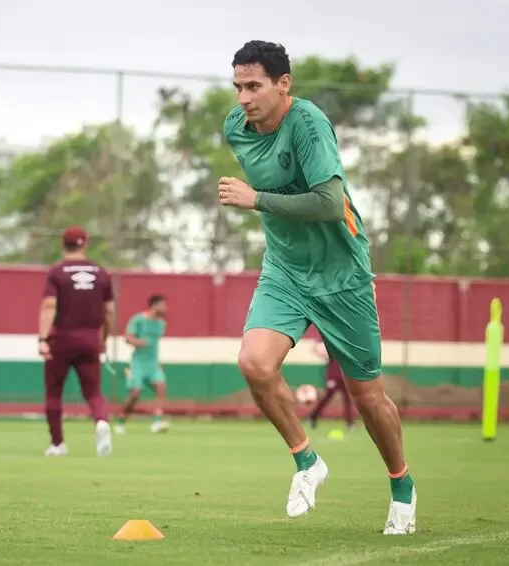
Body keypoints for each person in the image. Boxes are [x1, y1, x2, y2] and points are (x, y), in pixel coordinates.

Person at [218, 40, 416, 535]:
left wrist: (256, 199)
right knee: (254, 363)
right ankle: (307, 460)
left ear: (284, 85)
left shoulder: (308, 123)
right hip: (285, 270)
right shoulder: (235, 129)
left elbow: (330, 204)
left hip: (342, 276)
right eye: (238, 86)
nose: (243, 97)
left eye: (254, 86)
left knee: (368, 398)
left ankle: (402, 488)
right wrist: (264, 203)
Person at [38, 226, 114, 457]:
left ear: (63, 245)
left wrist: (42, 338)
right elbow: (109, 311)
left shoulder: (57, 272)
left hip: (62, 339)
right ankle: (101, 421)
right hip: (90, 338)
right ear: (85, 245)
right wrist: (104, 338)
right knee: (93, 392)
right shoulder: (101, 273)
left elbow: (49, 306)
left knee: (54, 393)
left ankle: (58, 444)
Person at [115, 294, 169, 434]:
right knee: (135, 393)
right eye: (162, 305)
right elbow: (127, 338)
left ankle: (157, 421)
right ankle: (121, 421)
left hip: (153, 365)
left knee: (161, 386)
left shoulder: (162, 324)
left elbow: (154, 345)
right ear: (154, 305)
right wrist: (139, 342)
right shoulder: (138, 319)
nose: (165, 308)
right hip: (137, 363)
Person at [306, 338, 355, 431]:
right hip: (333, 376)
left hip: (344, 375)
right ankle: (312, 417)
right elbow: (315, 348)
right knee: (327, 397)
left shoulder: (345, 344)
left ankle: (350, 423)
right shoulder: (331, 343)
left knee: (347, 398)